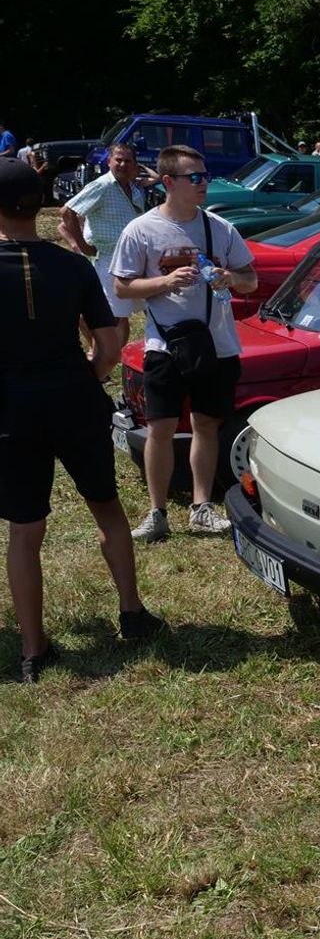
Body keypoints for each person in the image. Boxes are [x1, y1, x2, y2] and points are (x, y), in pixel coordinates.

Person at [0, 159, 162, 680]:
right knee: (107, 507)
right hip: (74, 399)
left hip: (12, 409)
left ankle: (34, 649)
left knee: (25, 530)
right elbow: (109, 346)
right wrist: (84, 380)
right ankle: (132, 612)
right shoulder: (73, 266)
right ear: (39, 204)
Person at [111, 145, 258, 542]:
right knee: (159, 428)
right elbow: (122, 287)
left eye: (205, 175)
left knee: (206, 425)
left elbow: (251, 280)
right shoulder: (141, 230)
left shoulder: (220, 228)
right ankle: (157, 514)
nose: (203, 183)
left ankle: (201, 508)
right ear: (168, 182)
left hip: (217, 345)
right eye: (194, 177)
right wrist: (165, 281)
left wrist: (231, 278)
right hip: (165, 346)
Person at [59, 142, 149, 355]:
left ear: (134, 164)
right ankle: (101, 356)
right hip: (110, 260)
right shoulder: (102, 186)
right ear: (109, 161)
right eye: (118, 160)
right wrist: (82, 246)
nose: (123, 164)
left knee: (143, 309)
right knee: (111, 317)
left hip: (135, 259)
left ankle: (115, 355)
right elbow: (67, 212)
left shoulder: (133, 188)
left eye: (128, 160)